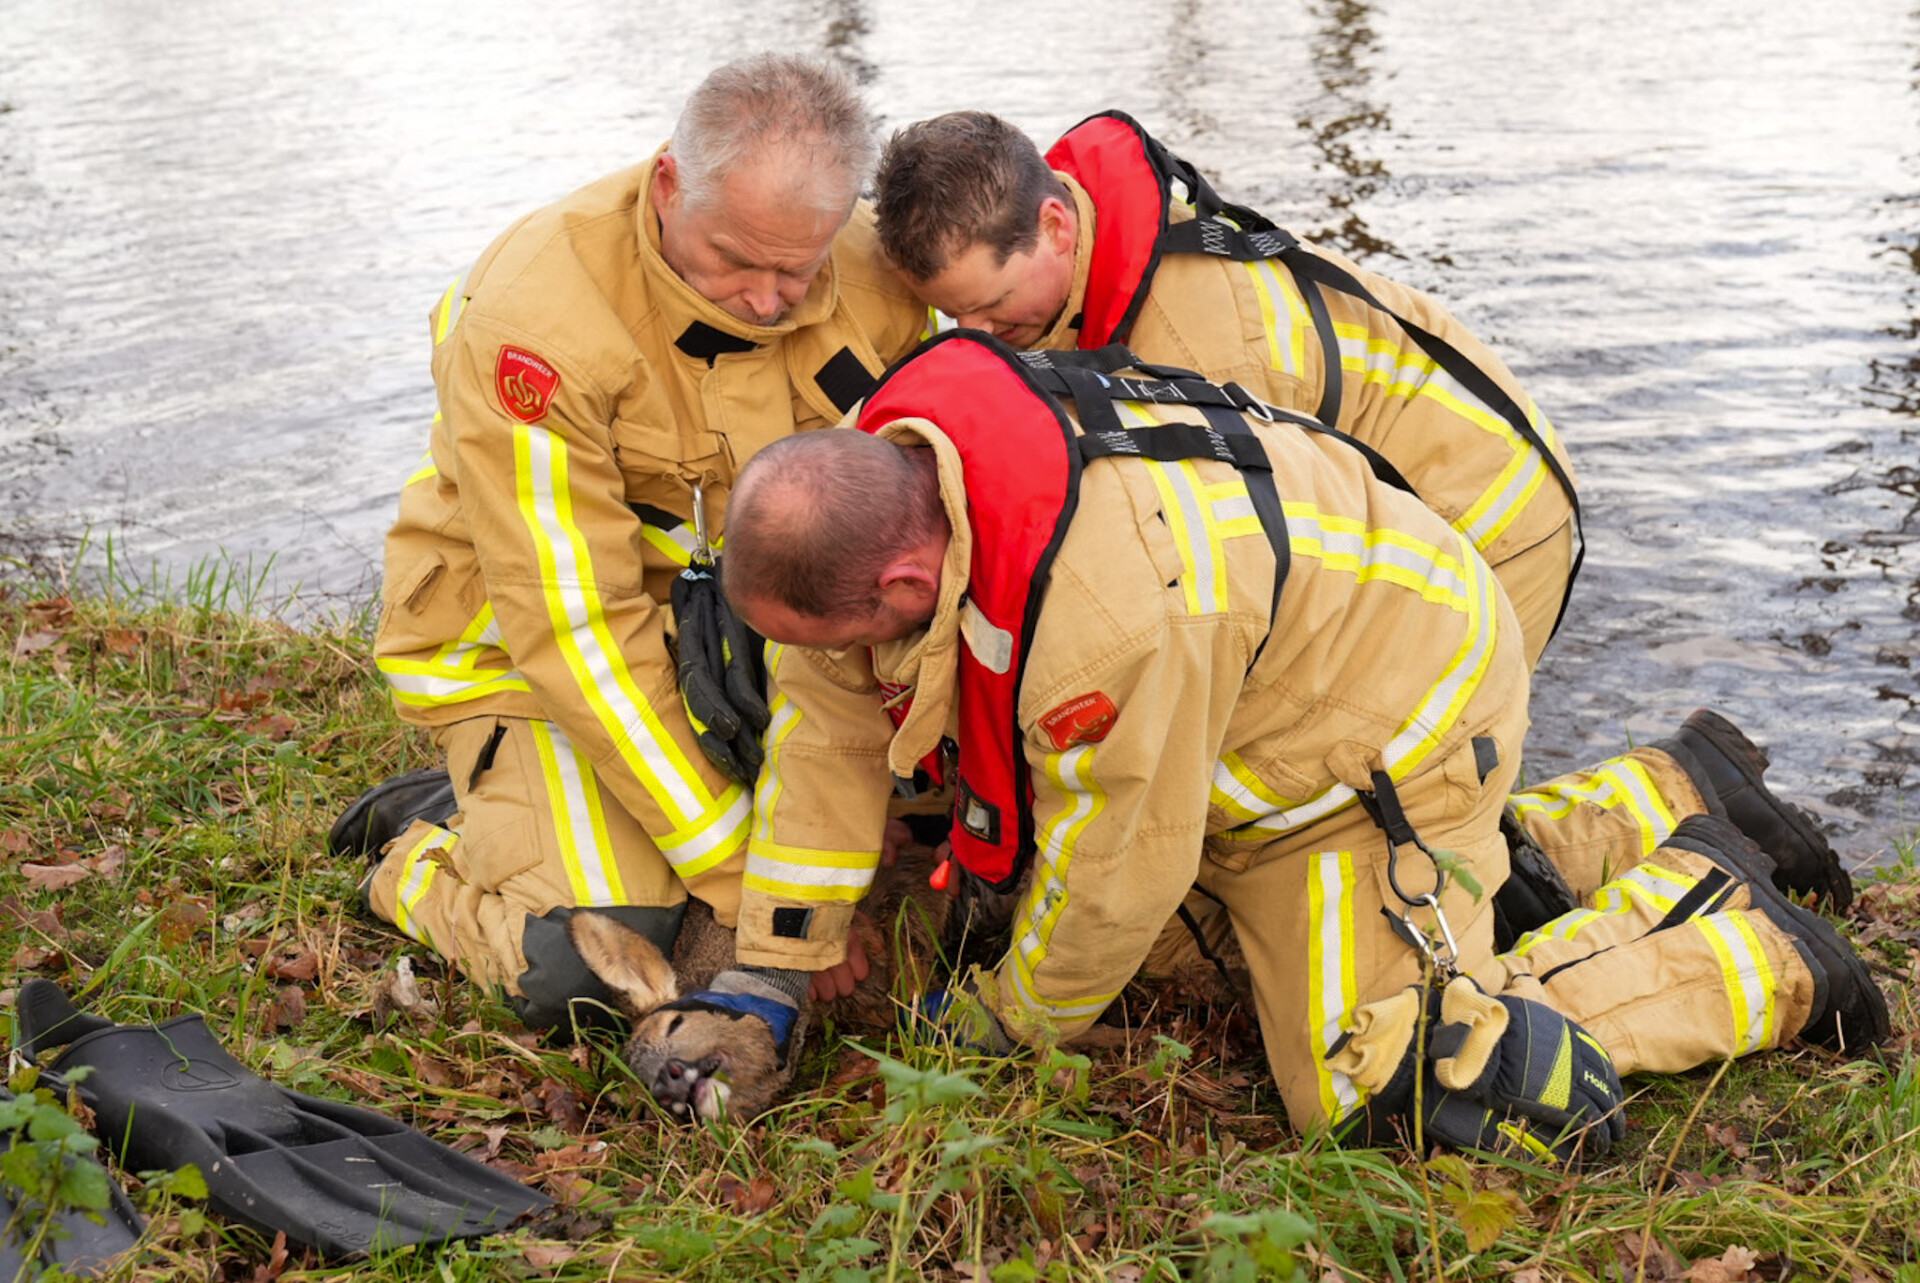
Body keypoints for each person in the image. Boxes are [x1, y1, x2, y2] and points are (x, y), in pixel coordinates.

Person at [706, 333, 1887, 1152]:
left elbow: (1121, 865)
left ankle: (1740, 942)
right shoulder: (886, 470)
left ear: (907, 577)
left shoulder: (1107, 618)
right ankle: (1671, 787)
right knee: (1181, 952)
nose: (833, 661)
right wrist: (775, 960)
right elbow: (827, 718)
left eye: (842, 636)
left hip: (1379, 735)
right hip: (1293, 674)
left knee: (1362, 1073)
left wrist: (1002, 1026)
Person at [871, 108, 1854, 928]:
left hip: (1484, 522)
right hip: (1416, 495)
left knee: (1390, 813)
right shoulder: (1093, 269)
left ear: (1055, 225)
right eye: (960, 322)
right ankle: (1690, 785)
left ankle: (1691, 870)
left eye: (997, 311)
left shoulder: (1199, 330)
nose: (986, 340)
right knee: (1369, 791)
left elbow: (1223, 576)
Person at [338, 54, 925, 1030]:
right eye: (739, 259)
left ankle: (522, 811)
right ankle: (424, 853)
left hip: (748, 639)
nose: (772, 299)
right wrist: (750, 881)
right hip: (537, 656)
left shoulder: (876, 270)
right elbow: (575, 627)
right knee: (592, 960)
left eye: (800, 266)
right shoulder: (534, 321)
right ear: (667, 186)